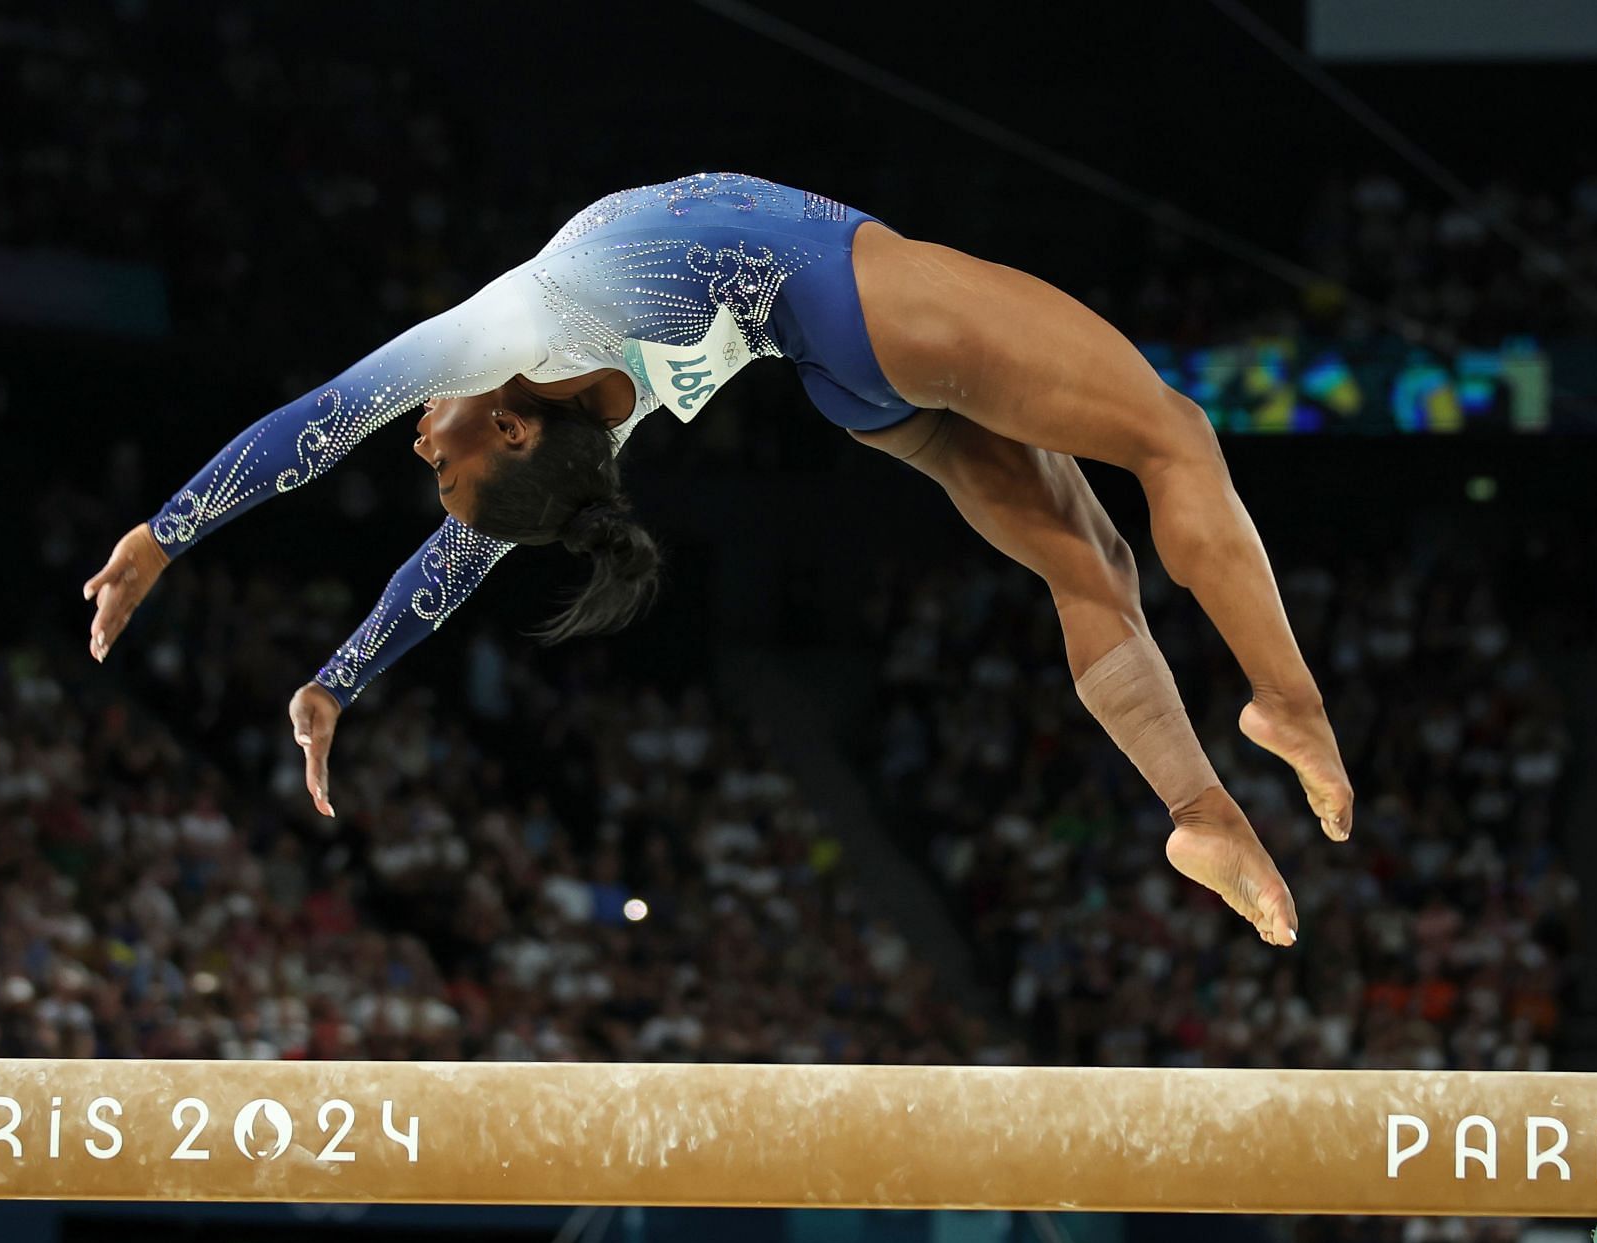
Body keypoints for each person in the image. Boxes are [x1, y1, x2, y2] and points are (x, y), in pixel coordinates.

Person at [84, 173, 1352, 947]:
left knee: (1087, 561)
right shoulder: (503, 341)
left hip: (842, 380)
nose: (425, 444)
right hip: (862, 298)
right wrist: (162, 535)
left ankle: (1199, 809)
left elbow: (453, 554)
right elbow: (317, 426)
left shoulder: (559, 431)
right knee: (1174, 435)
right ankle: (1283, 697)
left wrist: (339, 679)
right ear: (512, 423)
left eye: (435, 466)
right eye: (444, 460)